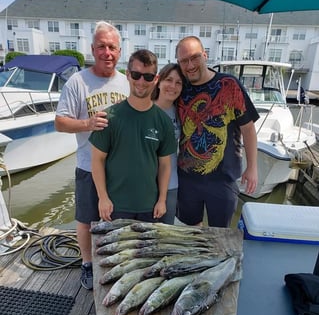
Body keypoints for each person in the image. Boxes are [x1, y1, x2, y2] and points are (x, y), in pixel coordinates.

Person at [55, 21, 129, 290]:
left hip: (119, 170)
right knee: (86, 219)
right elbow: (60, 122)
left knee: (117, 221)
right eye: (101, 47)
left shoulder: (127, 82)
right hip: (87, 166)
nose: (106, 53)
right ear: (92, 49)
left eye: (111, 47)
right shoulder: (78, 82)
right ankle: (87, 264)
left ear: (119, 51)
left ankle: (114, 262)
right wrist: (87, 123)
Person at [175, 36, 259, 228]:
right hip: (187, 178)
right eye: (184, 61)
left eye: (195, 57)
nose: (190, 65)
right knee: (190, 231)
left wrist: (252, 166)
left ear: (205, 56)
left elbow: (248, 127)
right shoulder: (180, 87)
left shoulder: (228, 85)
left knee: (220, 234)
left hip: (223, 179)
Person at [89, 49, 176, 223]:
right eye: (136, 75)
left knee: (149, 251)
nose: (141, 82)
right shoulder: (109, 117)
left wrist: (162, 200)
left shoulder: (164, 122)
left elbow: (165, 165)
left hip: (150, 208)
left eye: (148, 77)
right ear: (127, 75)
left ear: (156, 79)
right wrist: (103, 198)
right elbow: (97, 160)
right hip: (115, 206)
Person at [151, 63, 184, 224]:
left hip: (171, 183)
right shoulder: (145, 108)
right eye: (169, 80)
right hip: (145, 184)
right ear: (159, 81)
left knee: (165, 231)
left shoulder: (181, 112)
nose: (173, 86)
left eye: (178, 82)